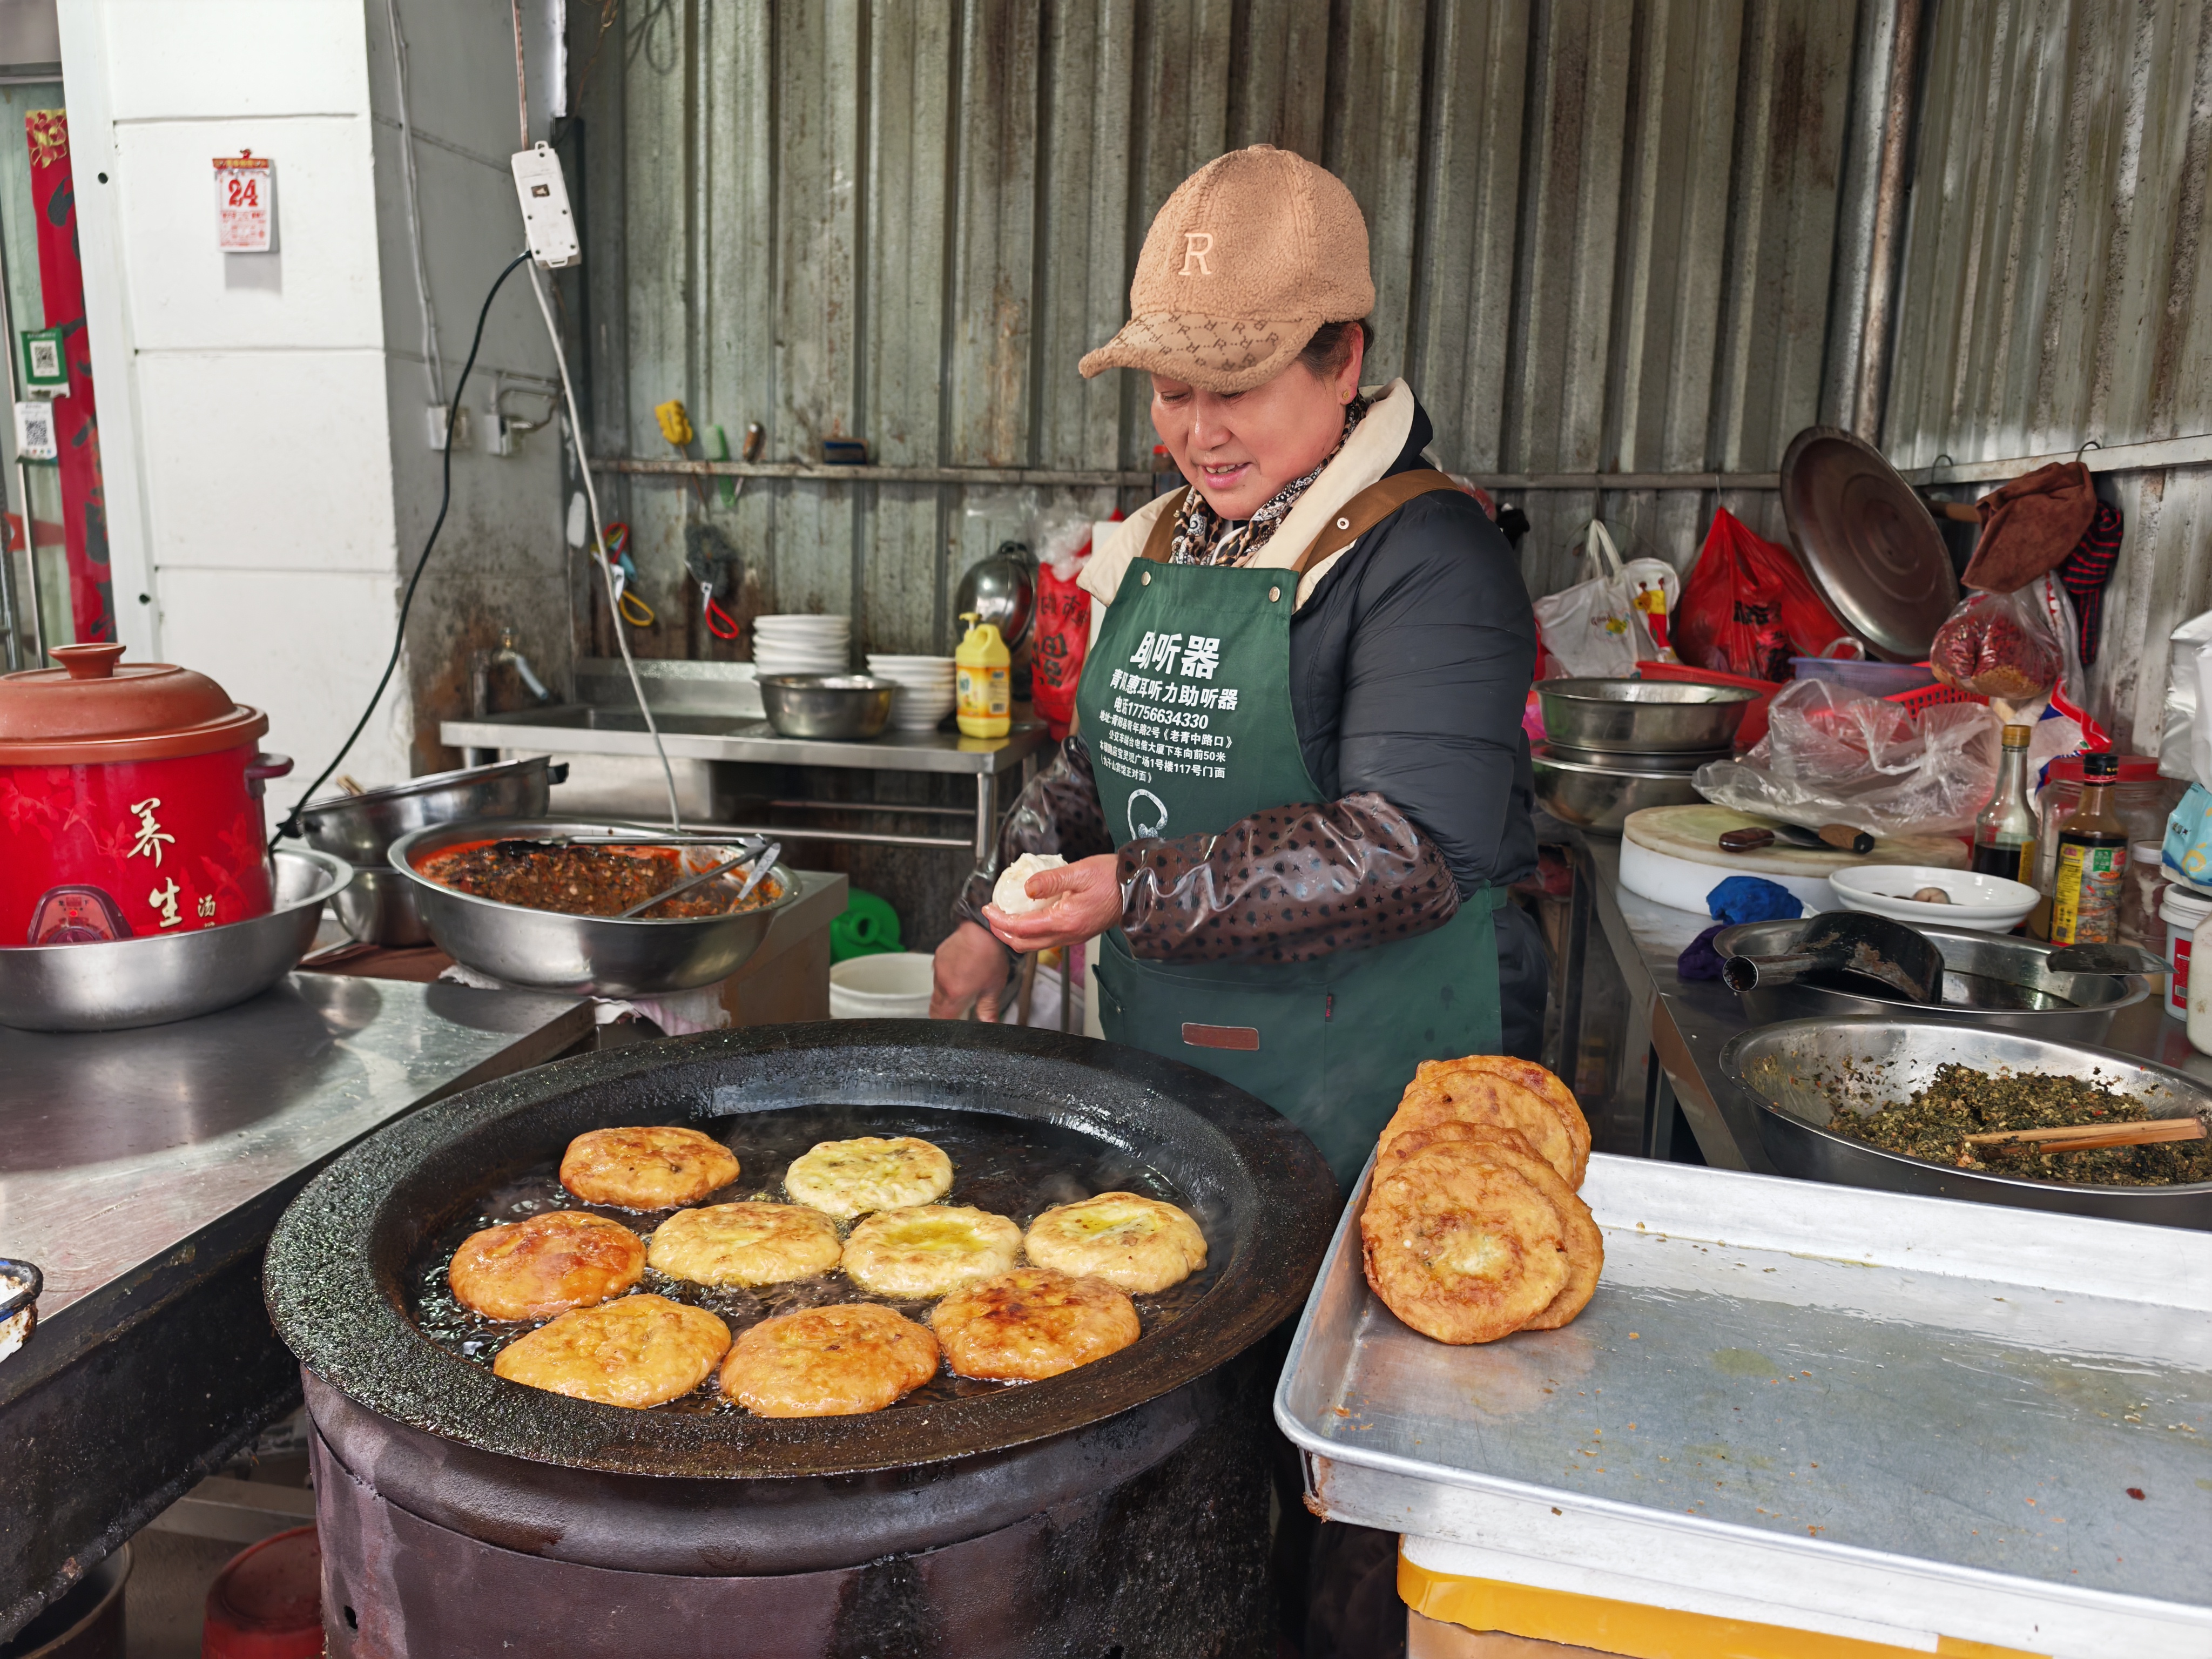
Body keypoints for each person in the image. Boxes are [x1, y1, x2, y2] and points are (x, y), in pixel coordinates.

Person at [930, 144, 1545, 1191]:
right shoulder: (1167, 535)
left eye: (1238, 389)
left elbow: (1409, 852)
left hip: (1384, 1079)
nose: (1200, 434)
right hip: (1176, 1062)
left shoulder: (1430, 557)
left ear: (1342, 362)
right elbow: (1101, 768)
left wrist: (1131, 889)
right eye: (1172, 392)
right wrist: (998, 910)